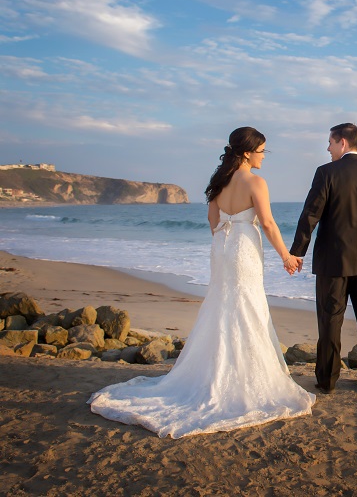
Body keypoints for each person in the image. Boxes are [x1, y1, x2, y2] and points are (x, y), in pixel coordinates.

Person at [88, 127, 315, 438]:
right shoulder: (255, 182)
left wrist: (225, 243)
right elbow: (267, 223)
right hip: (244, 248)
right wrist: (287, 257)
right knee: (246, 305)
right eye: (262, 150)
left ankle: (215, 373)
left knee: (223, 305)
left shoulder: (219, 182)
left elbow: (213, 220)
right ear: (247, 152)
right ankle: (243, 379)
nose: (264, 156)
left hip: (223, 247)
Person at [290, 123, 357, 393]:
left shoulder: (326, 173)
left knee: (330, 320)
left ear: (343, 143)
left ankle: (327, 380)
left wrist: (297, 251)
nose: (328, 148)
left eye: (331, 143)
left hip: (333, 261)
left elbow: (310, 214)